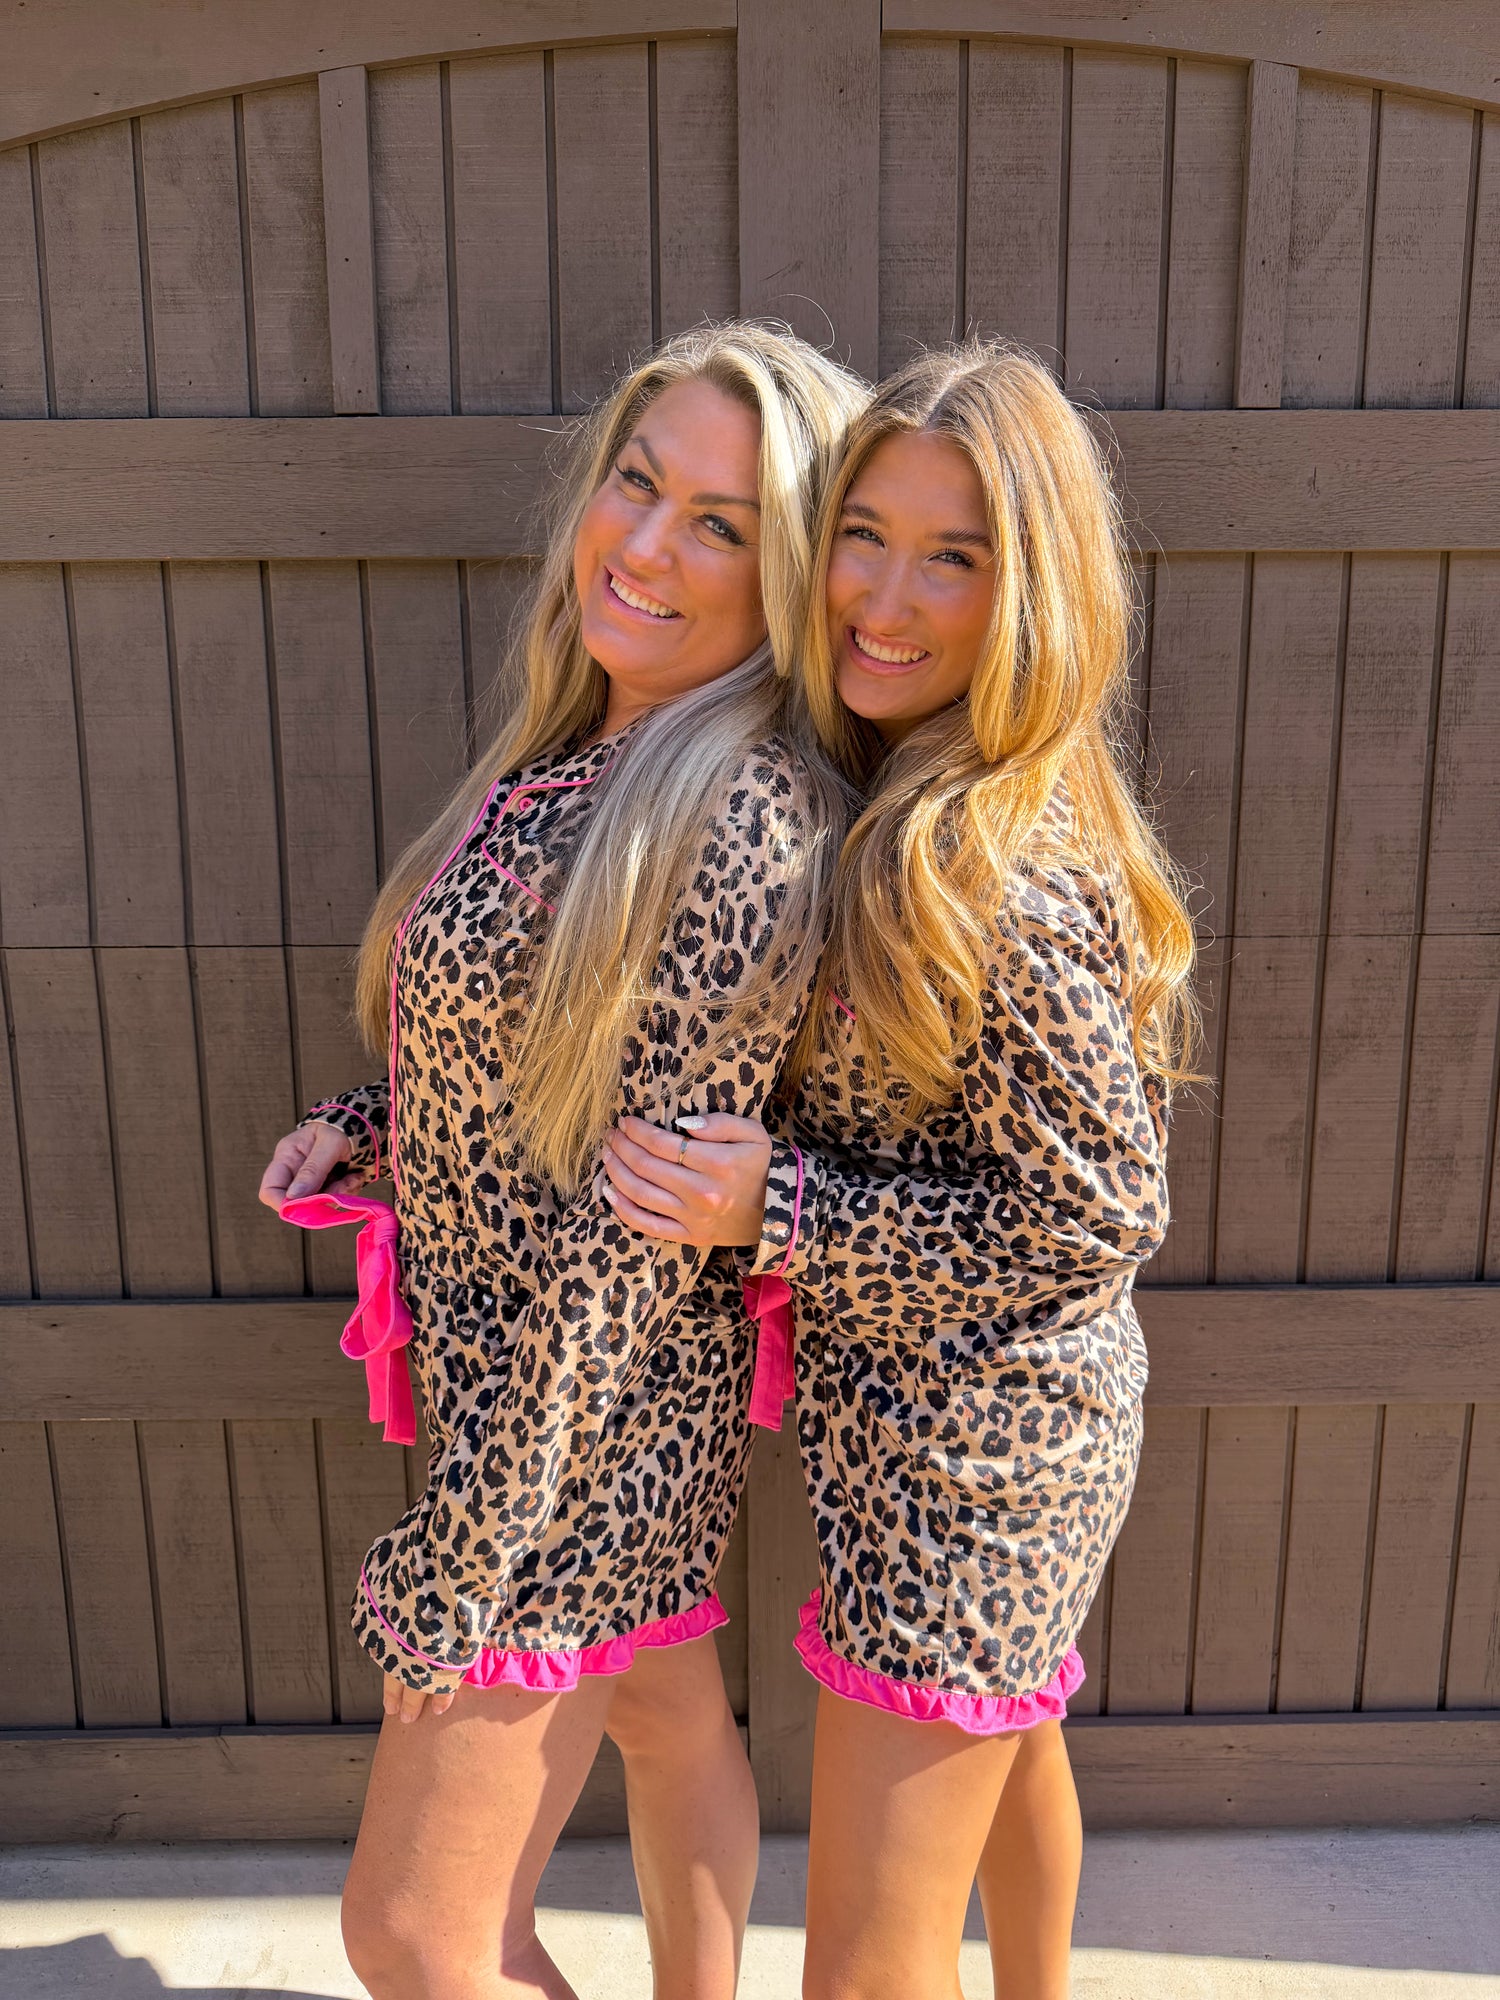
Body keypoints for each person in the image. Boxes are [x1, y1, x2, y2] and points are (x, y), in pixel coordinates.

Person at [258, 322, 866, 2000]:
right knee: (667, 1717)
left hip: (582, 1434)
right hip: (537, 1404)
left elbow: (637, 1234)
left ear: (787, 581)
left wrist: (463, 1548)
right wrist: (377, 1123)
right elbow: (543, 1052)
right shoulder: (577, 750)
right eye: (638, 483)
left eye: (720, 525)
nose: (647, 545)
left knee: (418, 1938)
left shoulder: (740, 815)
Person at [601, 340, 1199, 2000]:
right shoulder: (895, 786)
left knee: (866, 1968)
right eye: (863, 534)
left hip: (978, 1466)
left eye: (955, 557)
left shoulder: (996, 865)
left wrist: (776, 1208)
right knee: (1014, 1744)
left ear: (1035, 592)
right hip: (957, 1434)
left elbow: (1098, 1212)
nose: (882, 595)